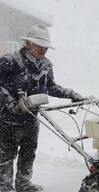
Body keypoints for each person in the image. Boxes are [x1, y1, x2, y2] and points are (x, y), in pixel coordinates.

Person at [0, 24, 86, 192]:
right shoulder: (10, 61)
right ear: (28, 43)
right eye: (39, 45)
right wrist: (10, 103)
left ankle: (23, 184)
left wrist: (70, 93)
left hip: (31, 119)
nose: (43, 49)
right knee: (6, 155)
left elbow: (51, 87)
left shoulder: (46, 65)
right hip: (7, 121)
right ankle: (4, 186)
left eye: (45, 46)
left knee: (28, 153)